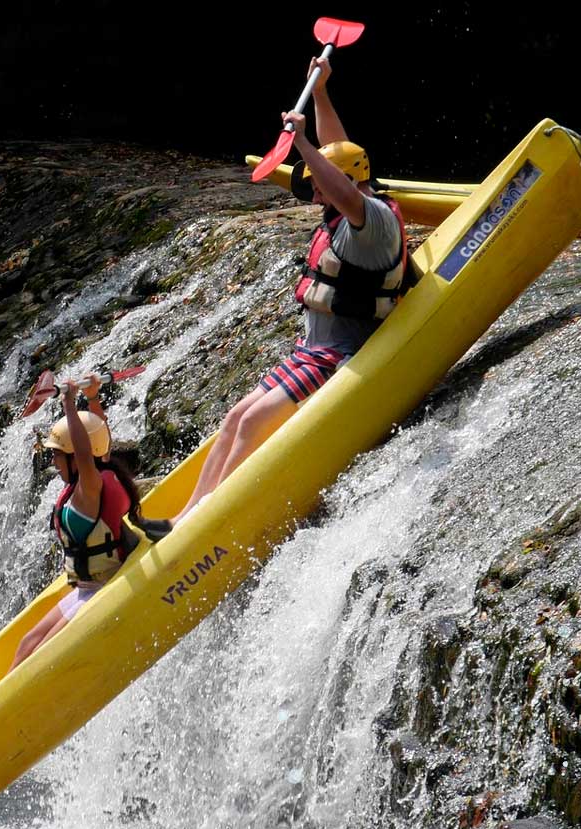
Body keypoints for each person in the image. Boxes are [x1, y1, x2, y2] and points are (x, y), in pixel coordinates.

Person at [176, 55, 417, 521]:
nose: (316, 196)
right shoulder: (354, 199)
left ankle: (208, 520)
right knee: (232, 420)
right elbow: (340, 152)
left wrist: (302, 143)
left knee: (253, 422)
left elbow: (342, 182)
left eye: (322, 186)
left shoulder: (375, 223)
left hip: (343, 354)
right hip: (314, 349)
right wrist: (322, 90)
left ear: (345, 183)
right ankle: (185, 517)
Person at [7, 369, 159, 671]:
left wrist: (69, 403)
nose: (53, 462)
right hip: (84, 589)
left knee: (39, 658)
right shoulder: (99, 475)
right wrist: (92, 398)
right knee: (27, 643)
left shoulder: (90, 489)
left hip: (101, 591)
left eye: (58, 456)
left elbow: (89, 447)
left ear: (77, 458)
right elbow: (100, 439)